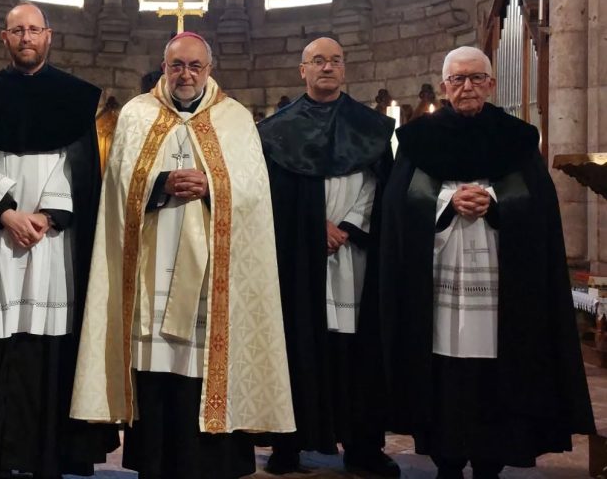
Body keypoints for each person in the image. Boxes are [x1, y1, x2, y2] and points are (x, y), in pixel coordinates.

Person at [70, 32, 295, 479]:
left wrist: (214, 186)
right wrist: (160, 185)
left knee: (203, 371)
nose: (186, 74)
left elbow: (255, 194)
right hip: (150, 275)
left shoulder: (235, 120)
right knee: (155, 373)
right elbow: (116, 189)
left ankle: (212, 466)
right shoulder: (136, 114)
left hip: (213, 281)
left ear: (209, 69)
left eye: (195, 66)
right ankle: (153, 465)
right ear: (163, 67)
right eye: (177, 66)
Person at [380, 46, 595, 479]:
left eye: (477, 78)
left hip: (502, 285)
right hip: (440, 284)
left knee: (499, 369)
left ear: (492, 84)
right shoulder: (419, 139)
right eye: (458, 80)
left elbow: (538, 209)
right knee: (444, 371)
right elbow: (399, 207)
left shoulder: (516, 138)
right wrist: (447, 199)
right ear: (444, 87)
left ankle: (490, 461)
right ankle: (446, 459)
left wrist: (494, 201)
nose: (467, 87)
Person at [0, 3, 116, 479]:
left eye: (34, 29)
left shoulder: (74, 99)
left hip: (53, 248)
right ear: (3, 37)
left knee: (46, 348)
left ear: (49, 37)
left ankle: (48, 456)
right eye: (18, 30)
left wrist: (48, 216)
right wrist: (8, 213)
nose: (27, 37)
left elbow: (76, 170)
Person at [257, 38, 399, 476]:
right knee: (297, 345)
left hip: (356, 256)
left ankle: (363, 446)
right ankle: (287, 444)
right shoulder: (278, 130)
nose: (327, 68)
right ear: (303, 70)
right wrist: (314, 226)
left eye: (335, 61)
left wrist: (350, 226)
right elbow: (270, 198)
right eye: (318, 61)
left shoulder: (371, 127)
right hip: (300, 259)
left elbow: (383, 189)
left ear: (345, 69)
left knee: (358, 351)